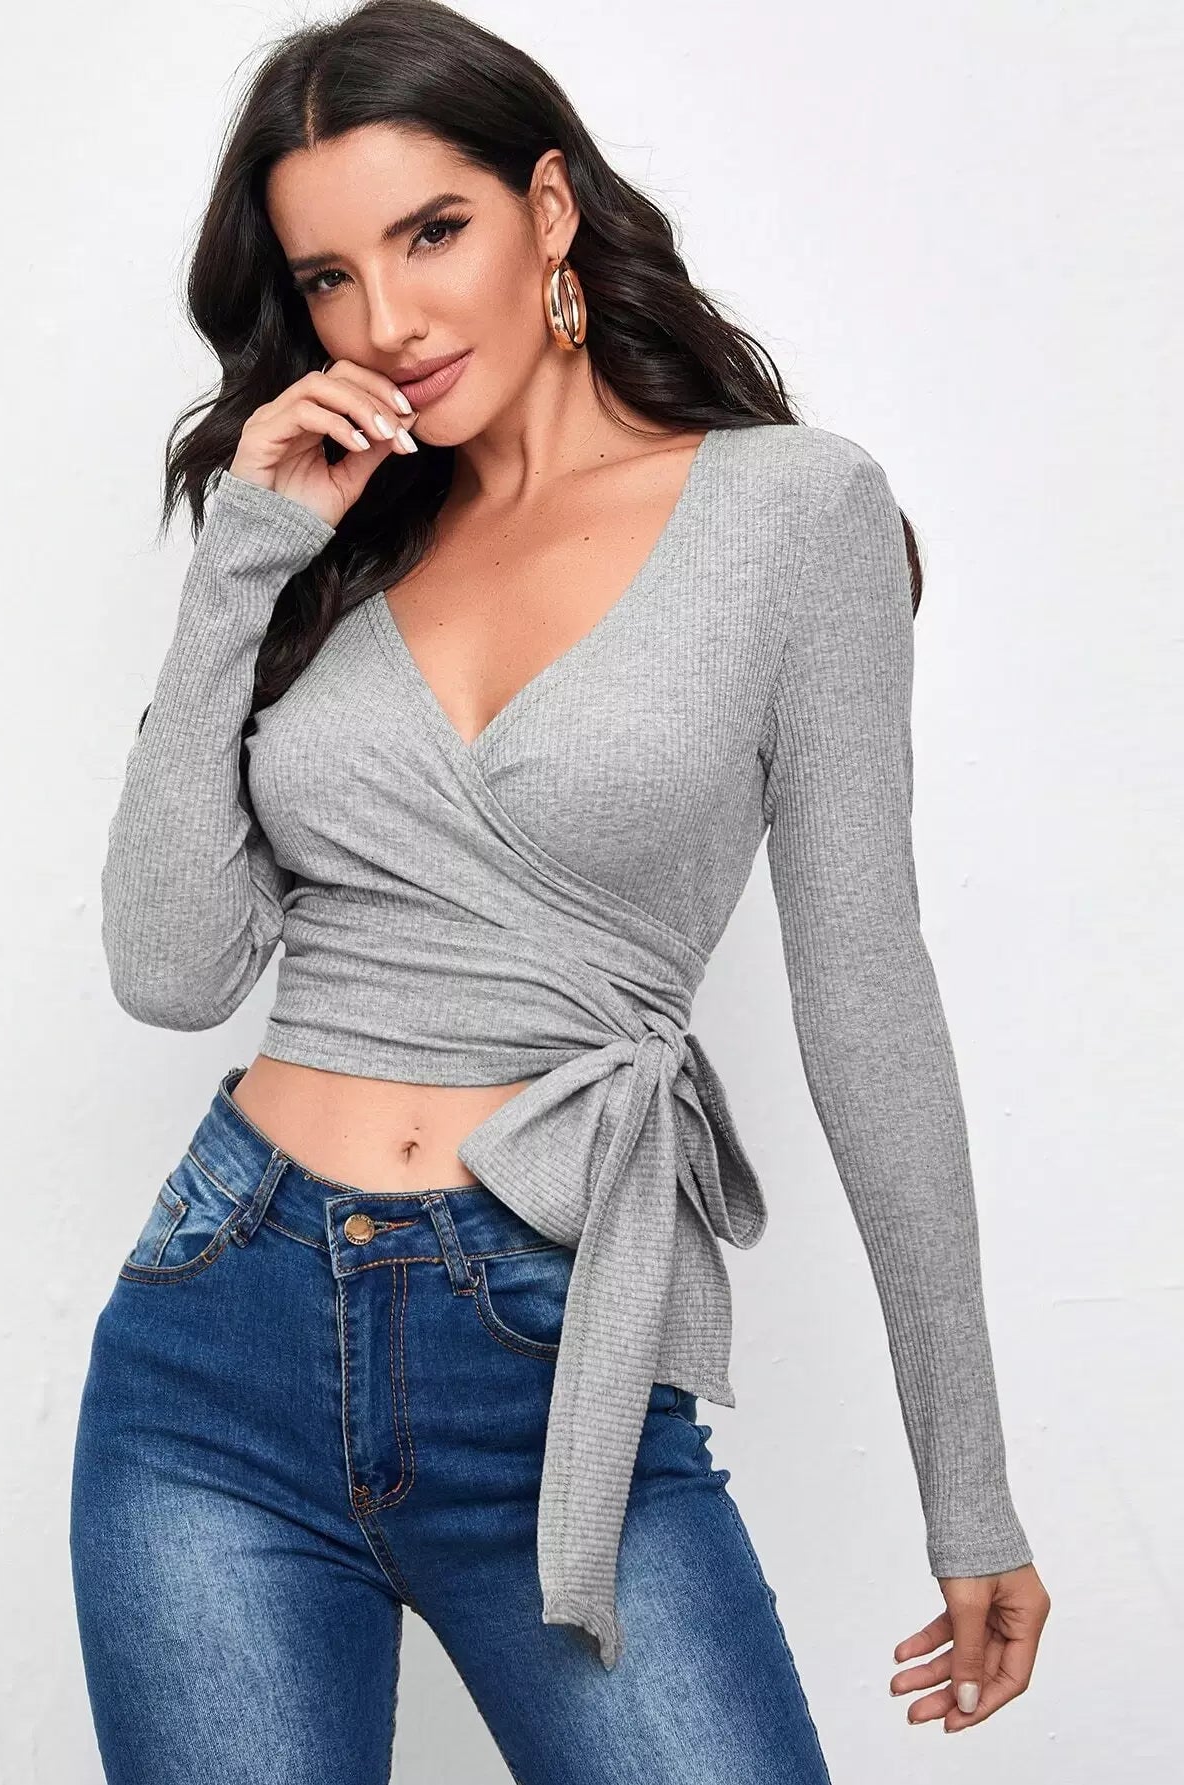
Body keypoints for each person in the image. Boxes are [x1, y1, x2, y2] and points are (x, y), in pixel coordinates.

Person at [68, 2, 1050, 1778]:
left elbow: (868, 998)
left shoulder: (794, 514)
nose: (388, 318)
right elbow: (169, 965)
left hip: (548, 1332)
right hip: (216, 1338)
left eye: (432, 232)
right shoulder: (335, 541)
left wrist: (966, 1482)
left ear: (547, 208)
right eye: (332, 276)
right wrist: (243, 559)